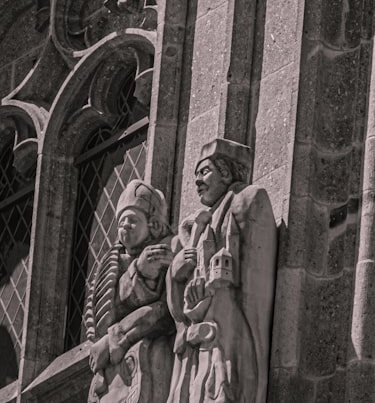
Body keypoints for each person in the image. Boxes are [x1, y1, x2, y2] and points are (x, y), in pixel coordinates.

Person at [166, 139, 276, 403]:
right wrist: (176, 271)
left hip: (229, 329)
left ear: (226, 172)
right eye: (195, 175)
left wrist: (211, 287)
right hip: (200, 337)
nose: (197, 182)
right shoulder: (196, 226)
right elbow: (179, 303)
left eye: (204, 172)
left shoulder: (247, 200)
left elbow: (253, 285)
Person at [84, 180, 174, 403]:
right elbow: (102, 316)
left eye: (132, 221)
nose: (124, 227)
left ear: (153, 225)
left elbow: (166, 310)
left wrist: (113, 338)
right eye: (121, 222)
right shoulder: (113, 264)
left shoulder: (166, 250)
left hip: (147, 361)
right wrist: (137, 270)